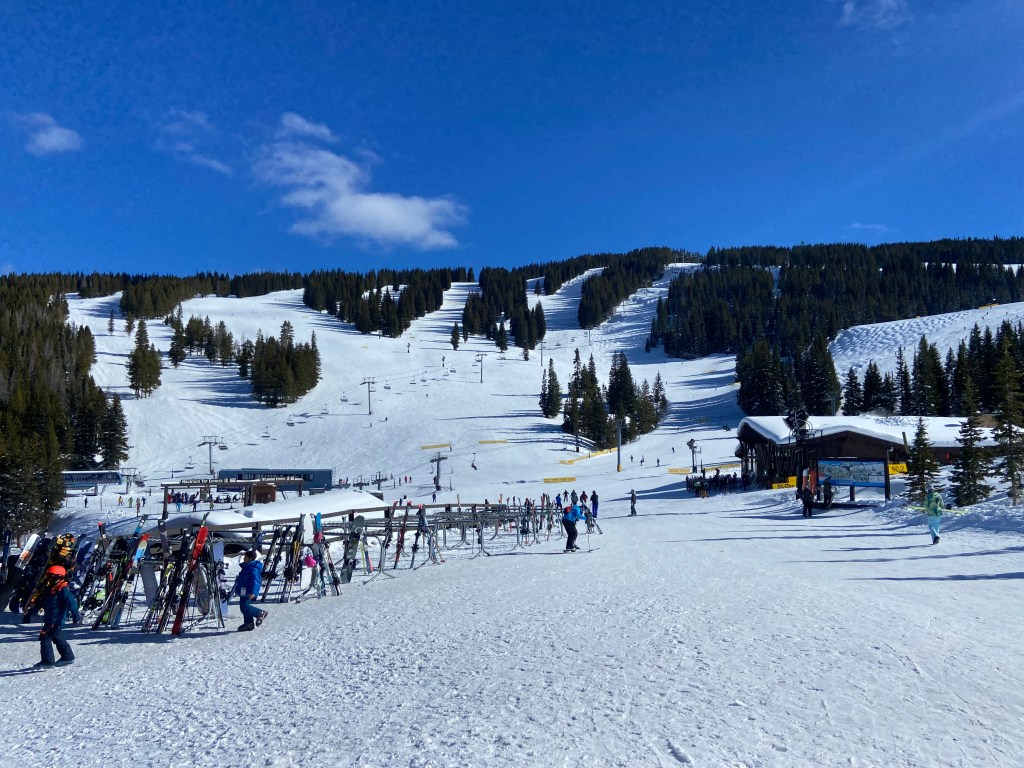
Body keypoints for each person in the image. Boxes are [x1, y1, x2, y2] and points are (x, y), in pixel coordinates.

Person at [37, 565, 79, 668]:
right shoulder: (51, 590)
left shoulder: (63, 590)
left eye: (52, 577)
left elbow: (71, 603)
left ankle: (48, 661)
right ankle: (68, 657)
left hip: (56, 621)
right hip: (49, 619)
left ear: (59, 577)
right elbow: (42, 602)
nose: (49, 579)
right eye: (48, 577)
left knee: (45, 637)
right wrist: (31, 613)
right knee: (57, 638)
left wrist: (75, 615)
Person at [232, 551, 267, 632]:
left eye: (246, 557)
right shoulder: (246, 567)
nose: (244, 558)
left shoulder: (253, 569)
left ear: (250, 558)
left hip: (249, 591)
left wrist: (253, 592)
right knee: (243, 607)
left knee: (245, 607)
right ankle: (249, 623)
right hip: (243, 590)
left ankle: (260, 613)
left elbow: (256, 581)